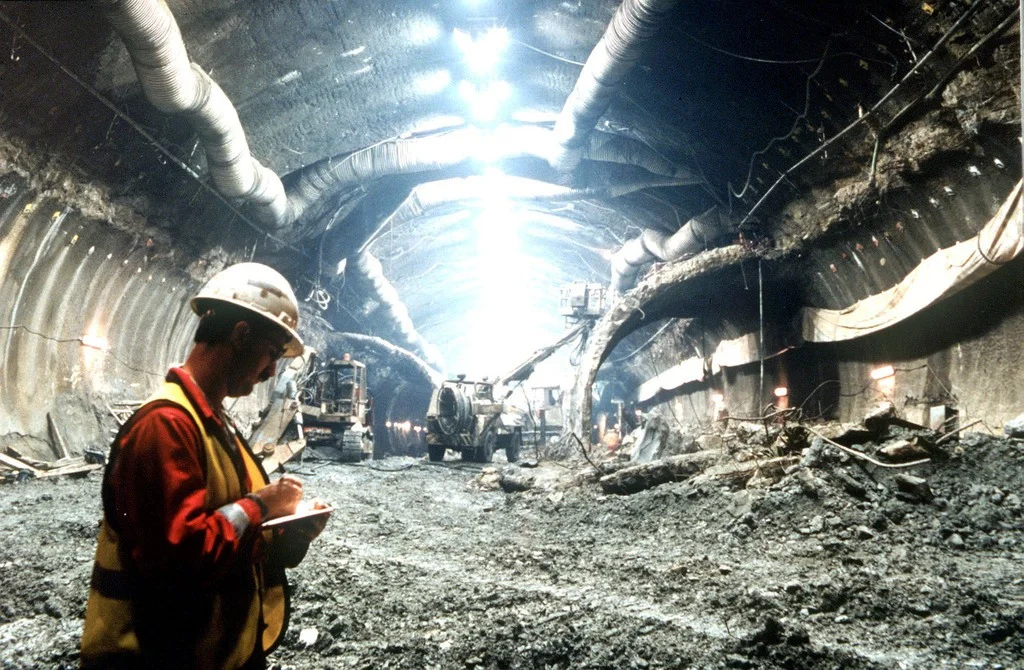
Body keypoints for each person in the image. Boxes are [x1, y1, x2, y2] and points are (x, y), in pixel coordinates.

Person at [81, 263, 330, 670]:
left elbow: (234, 539)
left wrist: (290, 536)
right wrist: (262, 506)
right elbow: (179, 562)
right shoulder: (165, 426)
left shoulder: (215, 424)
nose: (271, 371)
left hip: (216, 655)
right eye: (270, 354)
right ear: (240, 335)